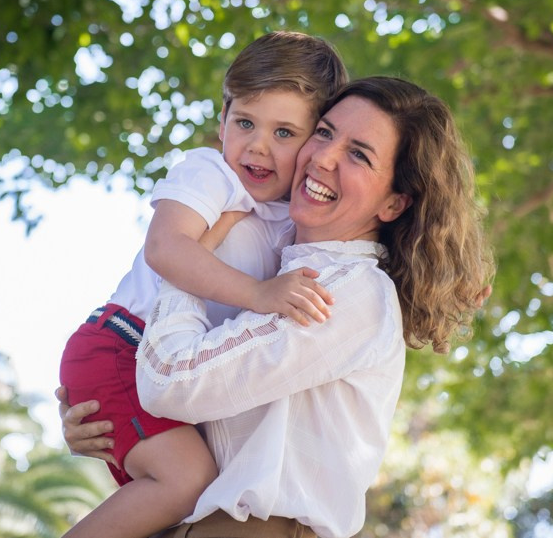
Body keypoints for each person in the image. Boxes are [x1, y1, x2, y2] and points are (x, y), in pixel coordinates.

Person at [61, 76, 495, 538]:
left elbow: (171, 381)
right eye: (325, 132)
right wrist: (110, 421)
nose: (323, 157)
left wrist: (192, 261)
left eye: (359, 155)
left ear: (393, 203)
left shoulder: (348, 290)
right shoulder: (275, 257)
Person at [58, 31, 350, 538]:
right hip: (122, 344)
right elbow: (166, 248)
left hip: (169, 371)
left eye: (285, 133)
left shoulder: (295, 219)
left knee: (179, 502)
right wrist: (259, 294)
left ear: (315, 142)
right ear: (221, 122)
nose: (257, 145)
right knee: (188, 480)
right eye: (244, 123)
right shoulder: (212, 173)